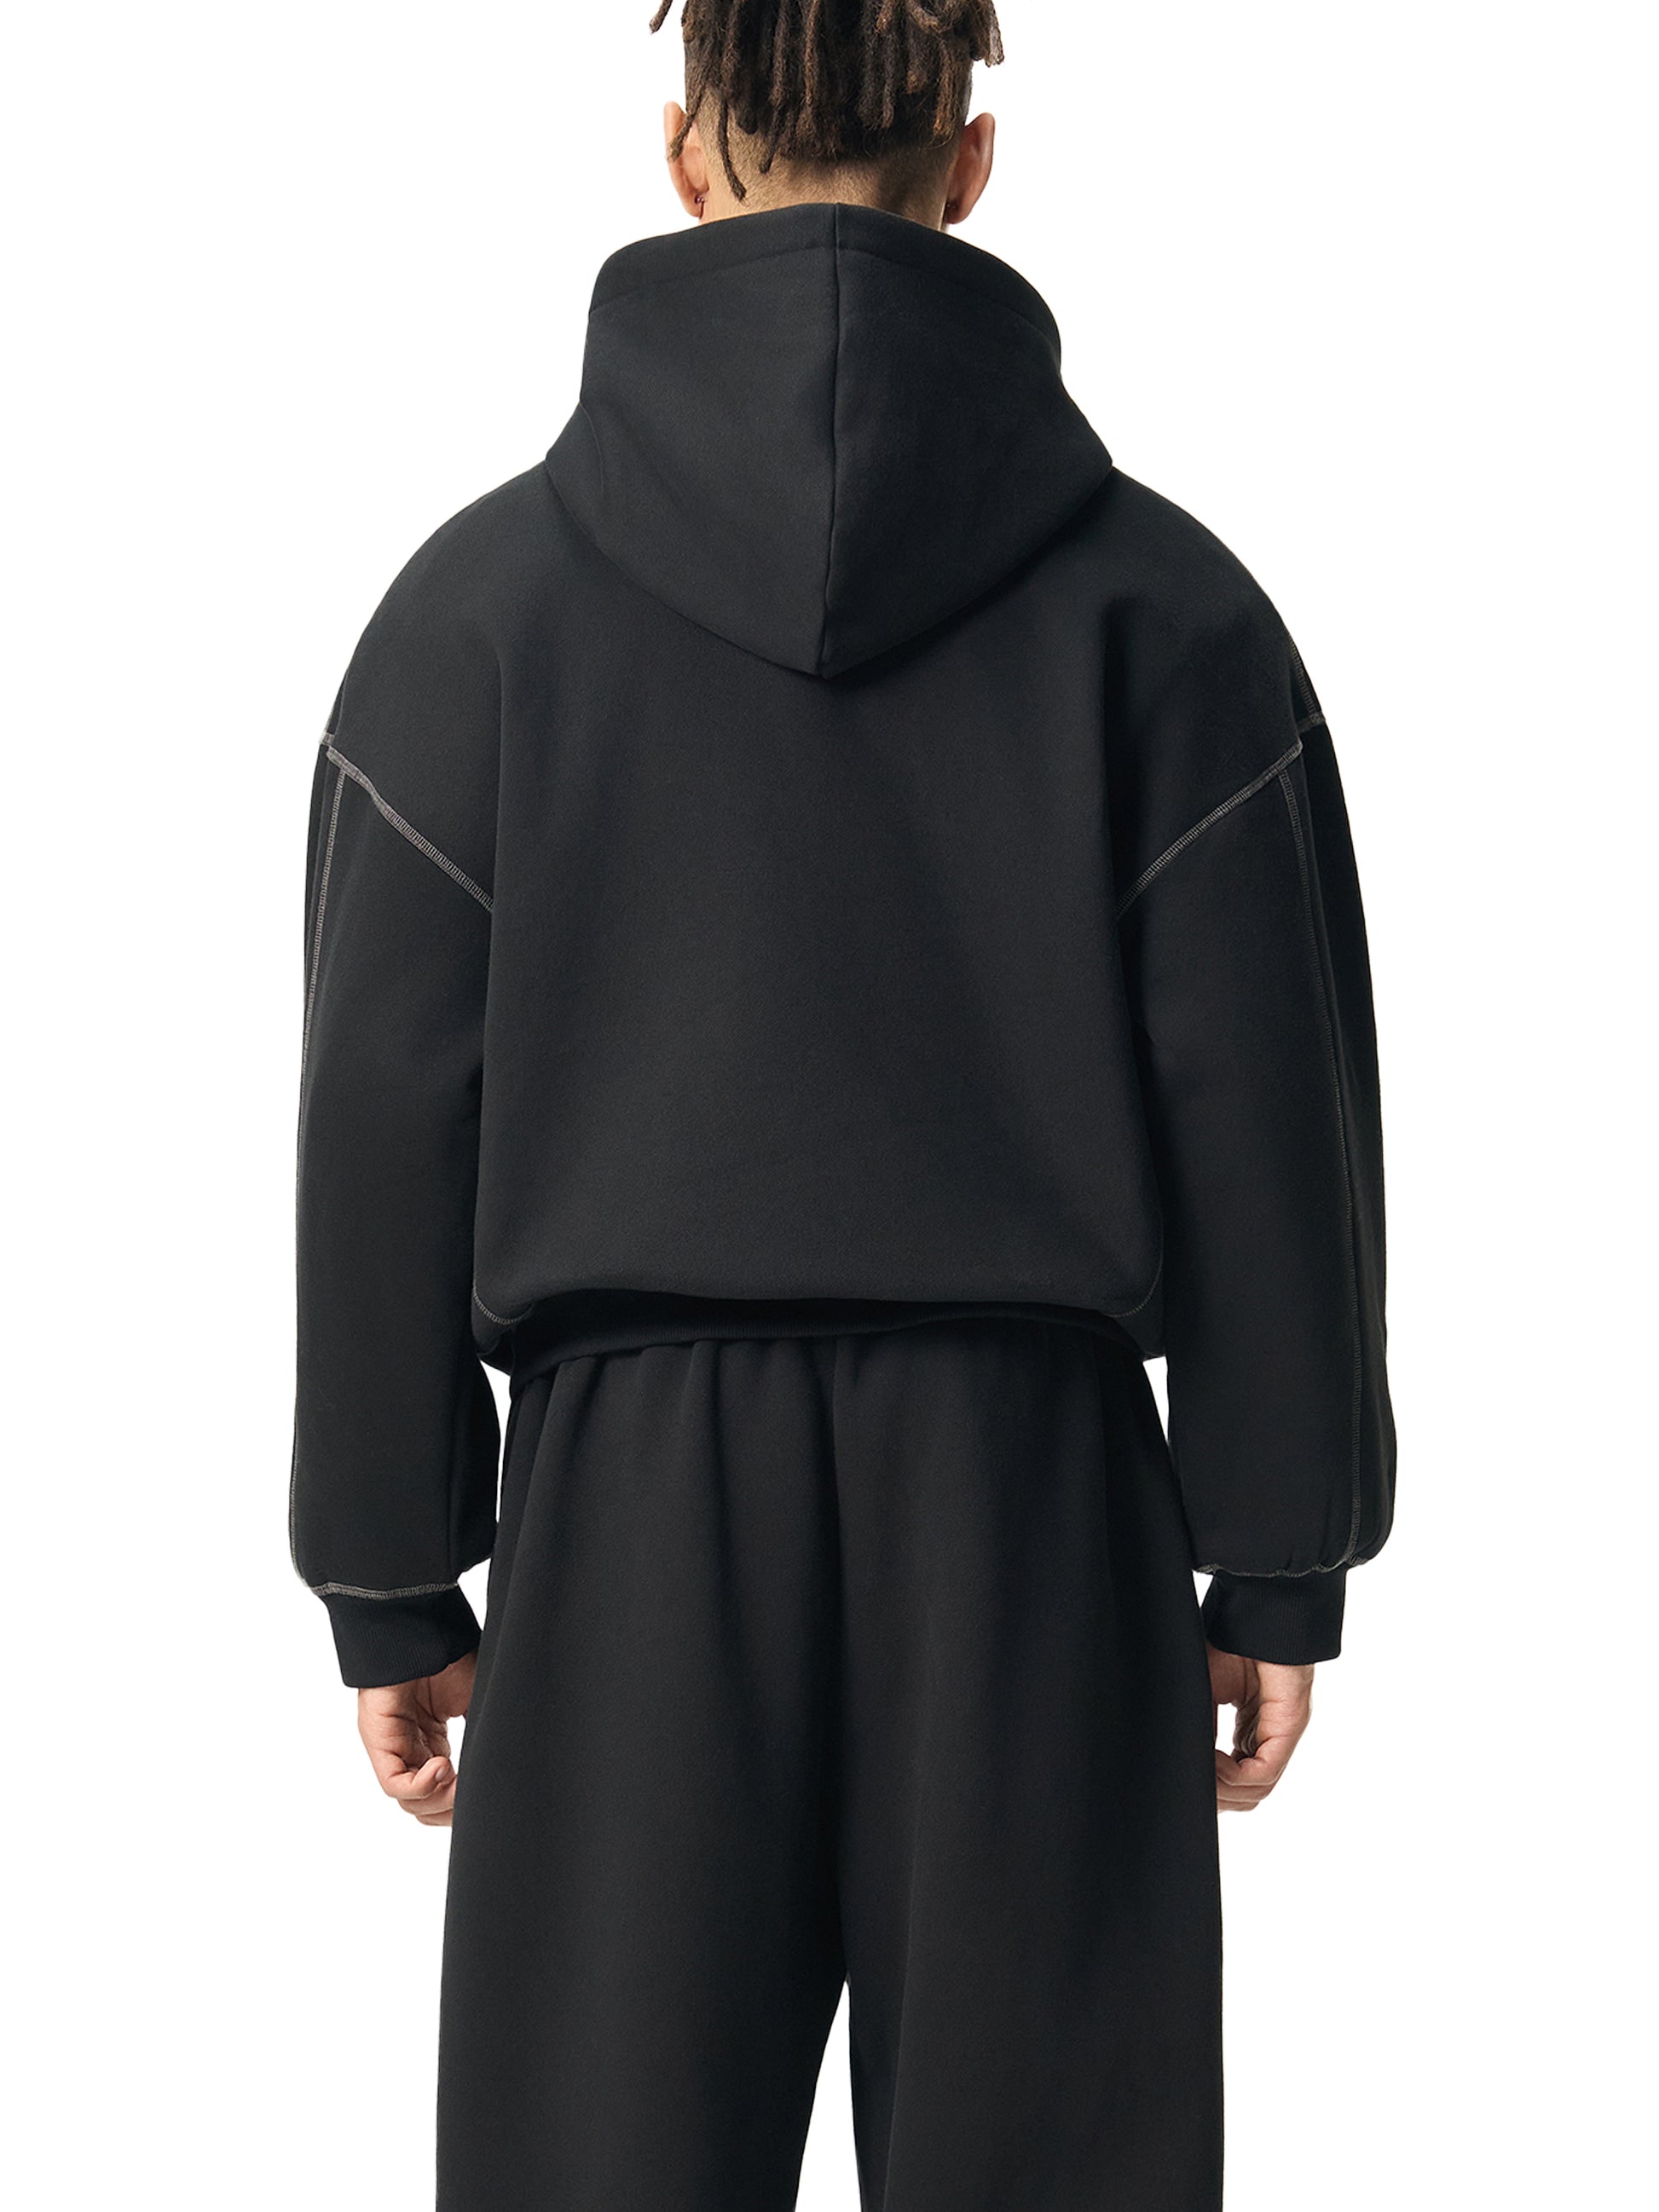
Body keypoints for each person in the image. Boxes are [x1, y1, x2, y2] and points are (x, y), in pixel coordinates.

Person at [292, 3, 1394, 2204]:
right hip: (1034, 1504)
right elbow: (1274, 1111)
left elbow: (381, 1112)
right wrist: (1276, 1547)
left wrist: (391, 1567)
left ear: (680, 152)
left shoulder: (475, 615)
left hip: (627, 1514)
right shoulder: (1169, 615)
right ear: (969, 167)